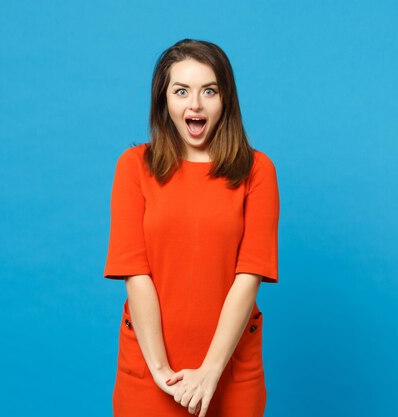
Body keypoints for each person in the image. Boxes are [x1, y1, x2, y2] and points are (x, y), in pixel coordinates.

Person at [104, 38, 280, 417]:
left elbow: (249, 275)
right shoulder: (134, 166)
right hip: (149, 368)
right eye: (181, 91)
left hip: (231, 370)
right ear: (164, 100)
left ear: (225, 99)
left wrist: (210, 372)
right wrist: (161, 372)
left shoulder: (257, 170)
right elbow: (135, 273)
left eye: (209, 91)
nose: (194, 105)